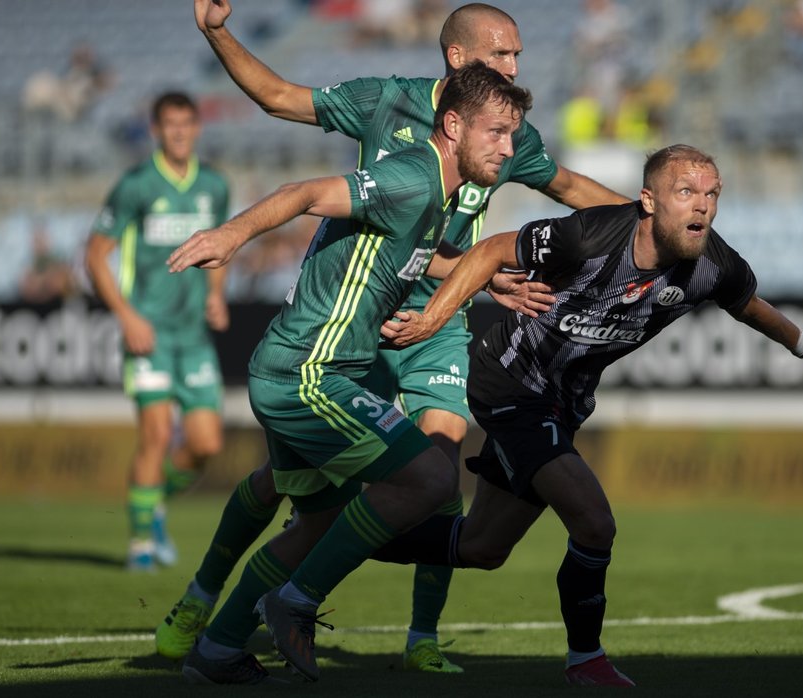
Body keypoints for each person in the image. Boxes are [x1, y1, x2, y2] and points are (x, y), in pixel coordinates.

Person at [154, 0, 629, 672]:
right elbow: (280, 105)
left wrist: (644, 224)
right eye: (502, 55)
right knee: (294, 489)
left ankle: (411, 636)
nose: (516, 69)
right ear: (458, 66)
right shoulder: (393, 116)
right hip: (339, 333)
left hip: (432, 315)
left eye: (519, 56)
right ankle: (214, 598)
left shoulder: (500, 135)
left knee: (432, 467)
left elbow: (565, 186)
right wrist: (217, 32)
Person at [376, 144, 803, 687]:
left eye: (712, 194)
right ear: (649, 201)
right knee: (595, 522)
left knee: (483, 548)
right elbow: (488, 251)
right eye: (686, 192)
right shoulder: (590, 235)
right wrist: (431, 321)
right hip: (511, 378)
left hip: (564, 402)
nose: (702, 207)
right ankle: (586, 662)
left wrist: (801, 341)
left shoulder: (713, 265)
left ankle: (340, 537)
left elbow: (747, 304)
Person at [84, 92, 230, 572]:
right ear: (156, 130)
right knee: (156, 433)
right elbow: (94, 255)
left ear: (198, 127)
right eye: (170, 124)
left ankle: (155, 500)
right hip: (149, 331)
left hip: (192, 336)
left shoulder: (214, 186)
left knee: (207, 443)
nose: (180, 132)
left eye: (187, 123)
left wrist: (215, 292)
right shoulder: (136, 185)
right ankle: (141, 542)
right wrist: (126, 316)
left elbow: (218, 248)